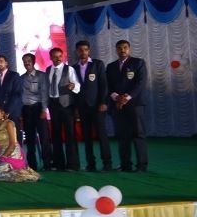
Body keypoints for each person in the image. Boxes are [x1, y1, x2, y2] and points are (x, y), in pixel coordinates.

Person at [106, 40, 148, 172]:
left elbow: (140, 83)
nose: (122, 50)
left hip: (135, 104)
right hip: (118, 105)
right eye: (119, 48)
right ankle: (125, 165)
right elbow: (108, 85)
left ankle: (141, 165)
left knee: (138, 134)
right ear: (116, 50)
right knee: (122, 135)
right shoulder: (111, 66)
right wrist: (116, 97)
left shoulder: (138, 63)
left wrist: (126, 98)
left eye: (125, 47)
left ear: (129, 49)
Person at [73, 40, 112, 171]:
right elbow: (75, 90)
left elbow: (104, 85)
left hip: (97, 106)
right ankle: (91, 164)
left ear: (89, 51)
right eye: (80, 50)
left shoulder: (97, 64)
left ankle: (107, 163)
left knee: (101, 135)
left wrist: (103, 102)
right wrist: (76, 107)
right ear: (77, 51)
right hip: (82, 107)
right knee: (86, 136)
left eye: (85, 49)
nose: (83, 52)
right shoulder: (74, 68)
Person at [0, 106, 41, 182]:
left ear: (2, 113)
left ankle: (22, 174)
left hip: (11, 152)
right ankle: (10, 170)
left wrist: (2, 159)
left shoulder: (9, 123)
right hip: (1, 152)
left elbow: (13, 143)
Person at [46, 47, 81, 171]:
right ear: (51, 58)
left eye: (60, 56)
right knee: (55, 135)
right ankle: (58, 163)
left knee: (70, 134)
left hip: (66, 106)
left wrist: (73, 86)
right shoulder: (48, 70)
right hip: (53, 105)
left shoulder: (69, 69)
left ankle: (73, 164)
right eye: (55, 56)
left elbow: (77, 85)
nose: (58, 58)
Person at [21, 53, 52, 171]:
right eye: (24, 61)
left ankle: (47, 163)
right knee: (29, 138)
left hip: (38, 108)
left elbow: (44, 93)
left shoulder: (41, 75)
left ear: (33, 62)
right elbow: (20, 96)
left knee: (44, 137)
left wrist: (44, 109)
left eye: (29, 60)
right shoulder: (21, 78)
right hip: (26, 110)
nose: (26, 63)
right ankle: (32, 164)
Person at [0, 55, 23, 123]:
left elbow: (17, 94)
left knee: (14, 130)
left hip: (12, 111)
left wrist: (7, 111)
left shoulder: (14, 75)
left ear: (6, 63)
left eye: (1, 61)